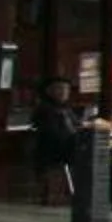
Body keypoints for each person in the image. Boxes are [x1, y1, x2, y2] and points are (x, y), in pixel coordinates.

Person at [33, 77, 85, 205]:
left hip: (72, 146)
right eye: (60, 89)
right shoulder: (45, 109)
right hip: (56, 150)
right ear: (50, 91)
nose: (64, 92)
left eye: (66, 89)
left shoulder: (67, 108)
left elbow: (77, 125)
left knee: (105, 151)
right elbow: (53, 134)